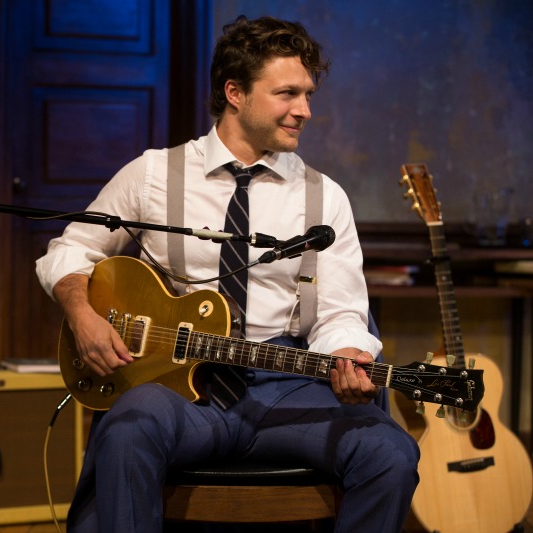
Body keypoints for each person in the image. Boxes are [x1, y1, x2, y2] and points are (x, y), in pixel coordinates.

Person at [36, 15, 419, 533]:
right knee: (127, 428)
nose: (304, 110)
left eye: (307, 94)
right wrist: (82, 314)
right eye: (287, 93)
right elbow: (70, 249)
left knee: (390, 453)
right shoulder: (152, 174)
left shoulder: (324, 196)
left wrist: (349, 353)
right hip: (177, 385)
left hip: (287, 386)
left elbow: (341, 312)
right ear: (234, 92)